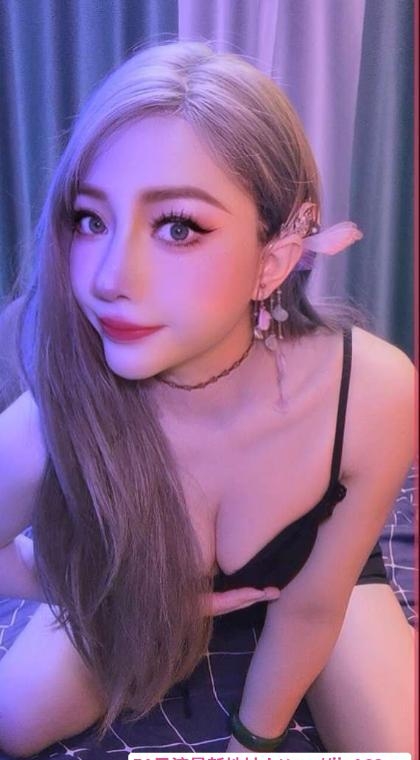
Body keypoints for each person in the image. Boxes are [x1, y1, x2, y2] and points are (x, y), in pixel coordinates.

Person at [0, 39, 415, 757]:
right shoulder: (60, 408)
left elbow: (315, 603)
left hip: (312, 588)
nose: (107, 279)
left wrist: (252, 740)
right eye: (91, 220)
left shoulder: (370, 391)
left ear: (273, 260)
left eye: (178, 227)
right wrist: (86, 590)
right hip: (137, 596)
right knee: (12, 720)